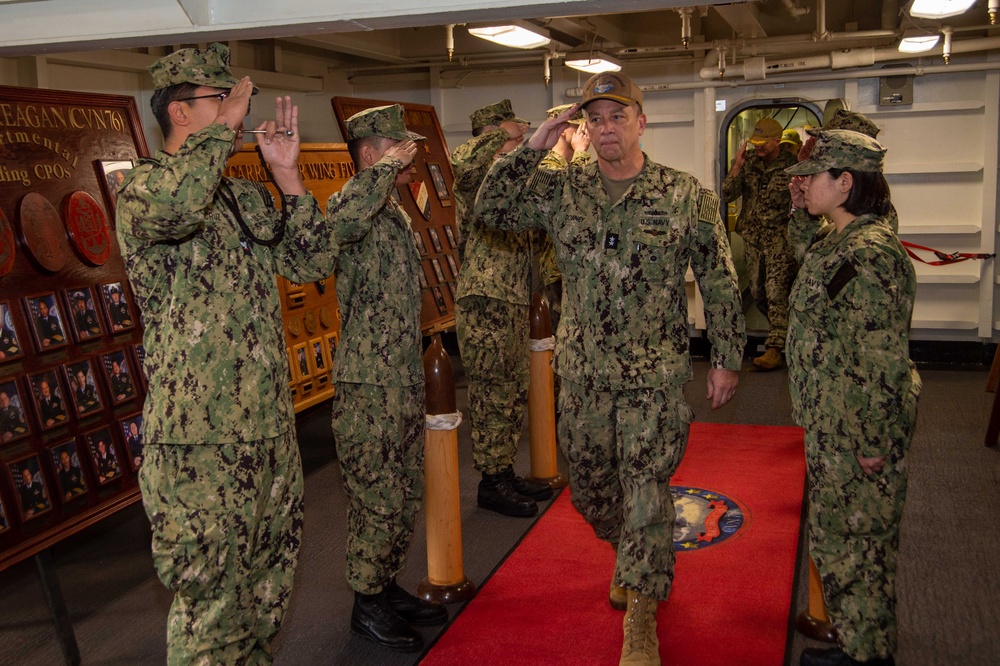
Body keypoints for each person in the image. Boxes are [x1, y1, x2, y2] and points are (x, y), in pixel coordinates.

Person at [474, 71, 745, 665]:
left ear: (641, 122)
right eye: (594, 119)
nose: (605, 129)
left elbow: (720, 282)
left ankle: (642, 617)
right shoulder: (561, 190)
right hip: (585, 373)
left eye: (617, 117)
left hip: (655, 376)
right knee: (593, 491)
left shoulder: (683, 193)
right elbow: (490, 208)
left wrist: (726, 359)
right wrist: (534, 146)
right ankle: (636, 556)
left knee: (646, 490)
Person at [115, 42, 339, 664]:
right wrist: (229, 127)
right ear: (181, 112)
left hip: (268, 431)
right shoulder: (145, 192)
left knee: (265, 600)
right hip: (199, 446)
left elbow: (313, 264)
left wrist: (289, 178)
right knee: (211, 614)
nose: (237, 110)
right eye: (221, 99)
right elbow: (181, 205)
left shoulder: (241, 196)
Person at [785, 130, 919, 666]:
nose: (800, 183)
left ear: (845, 183)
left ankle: (869, 655)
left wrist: (872, 440)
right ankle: (859, 643)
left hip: (856, 429)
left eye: (811, 176)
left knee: (860, 545)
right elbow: (809, 261)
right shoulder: (840, 239)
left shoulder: (870, 254)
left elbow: (880, 359)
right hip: (835, 421)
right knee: (840, 539)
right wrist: (799, 211)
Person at [327, 103, 447, 653]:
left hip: (399, 376)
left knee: (402, 493)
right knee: (375, 495)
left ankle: (385, 584)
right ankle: (365, 605)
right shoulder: (350, 205)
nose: (411, 158)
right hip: (368, 384)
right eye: (399, 149)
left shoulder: (394, 211)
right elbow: (341, 223)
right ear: (370, 154)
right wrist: (378, 172)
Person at [452, 98, 555, 517]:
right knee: (493, 392)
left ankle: (504, 469)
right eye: (513, 135)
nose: (518, 142)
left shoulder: (513, 176)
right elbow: (461, 161)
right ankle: (491, 480)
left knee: (511, 390)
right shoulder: (475, 175)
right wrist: (500, 134)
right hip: (486, 298)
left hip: (511, 297)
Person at [722, 116, 798, 371]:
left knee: (777, 291)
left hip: (780, 237)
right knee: (757, 292)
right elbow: (728, 194)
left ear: (777, 140)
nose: (758, 147)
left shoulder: (793, 165)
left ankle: (776, 347)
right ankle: (785, 332)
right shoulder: (749, 162)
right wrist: (736, 168)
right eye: (755, 143)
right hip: (753, 237)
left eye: (763, 143)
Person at [538, 103, 591, 333]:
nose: (584, 134)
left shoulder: (570, 166)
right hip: (556, 271)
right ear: (561, 131)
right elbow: (573, 201)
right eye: (577, 129)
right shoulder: (549, 166)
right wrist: (580, 154)